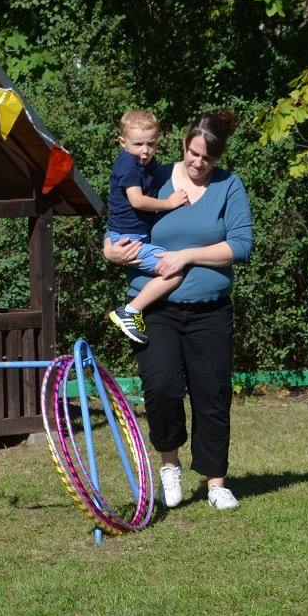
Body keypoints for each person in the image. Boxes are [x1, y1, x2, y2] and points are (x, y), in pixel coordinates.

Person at [103, 108, 254, 511]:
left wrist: (187, 256)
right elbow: (119, 218)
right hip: (157, 311)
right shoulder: (152, 172)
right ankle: (169, 465)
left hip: (210, 311)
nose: (199, 162)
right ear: (183, 144)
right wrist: (111, 252)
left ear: (219, 157)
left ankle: (216, 482)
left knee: (212, 395)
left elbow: (240, 247)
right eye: (193, 152)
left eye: (208, 157)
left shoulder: (229, 186)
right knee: (162, 388)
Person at [105, 109, 191, 344]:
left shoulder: (147, 164)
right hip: (129, 239)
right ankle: (130, 311)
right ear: (123, 142)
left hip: (131, 234)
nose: (145, 151)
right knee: (173, 270)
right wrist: (170, 203)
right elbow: (137, 200)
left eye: (151, 144)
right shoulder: (128, 163)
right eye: (138, 144)